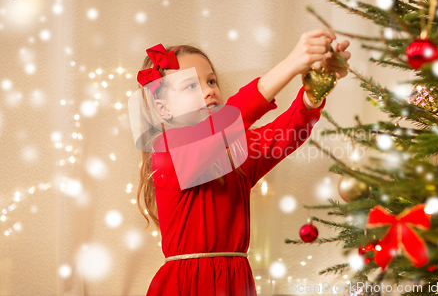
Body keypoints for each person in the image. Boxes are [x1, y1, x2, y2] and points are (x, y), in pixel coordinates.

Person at [134, 28, 351, 296]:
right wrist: (291, 64)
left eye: (211, 81)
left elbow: (287, 133)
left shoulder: (235, 153)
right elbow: (233, 117)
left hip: (236, 283)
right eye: (191, 85)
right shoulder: (167, 152)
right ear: (164, 109)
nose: (208, 91)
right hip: (188, 286)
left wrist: (316, 88)